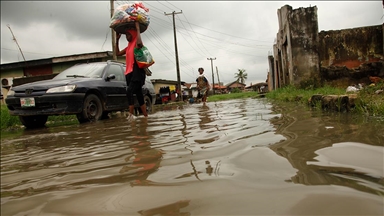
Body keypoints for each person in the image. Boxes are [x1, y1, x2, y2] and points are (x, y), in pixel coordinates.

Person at [116, 22, 148, 121]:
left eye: (129, 34)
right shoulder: (128, 46)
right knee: (138, 95)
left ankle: (131, 115)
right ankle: (146, 116)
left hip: (137, 73)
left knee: (129, 91)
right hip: (129, 73)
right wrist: (117, 40)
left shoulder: (136, 44)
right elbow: (117, 53)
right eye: (126, 35)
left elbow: (140, 43)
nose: (127, 37)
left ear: (133, 34)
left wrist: (138, 29)